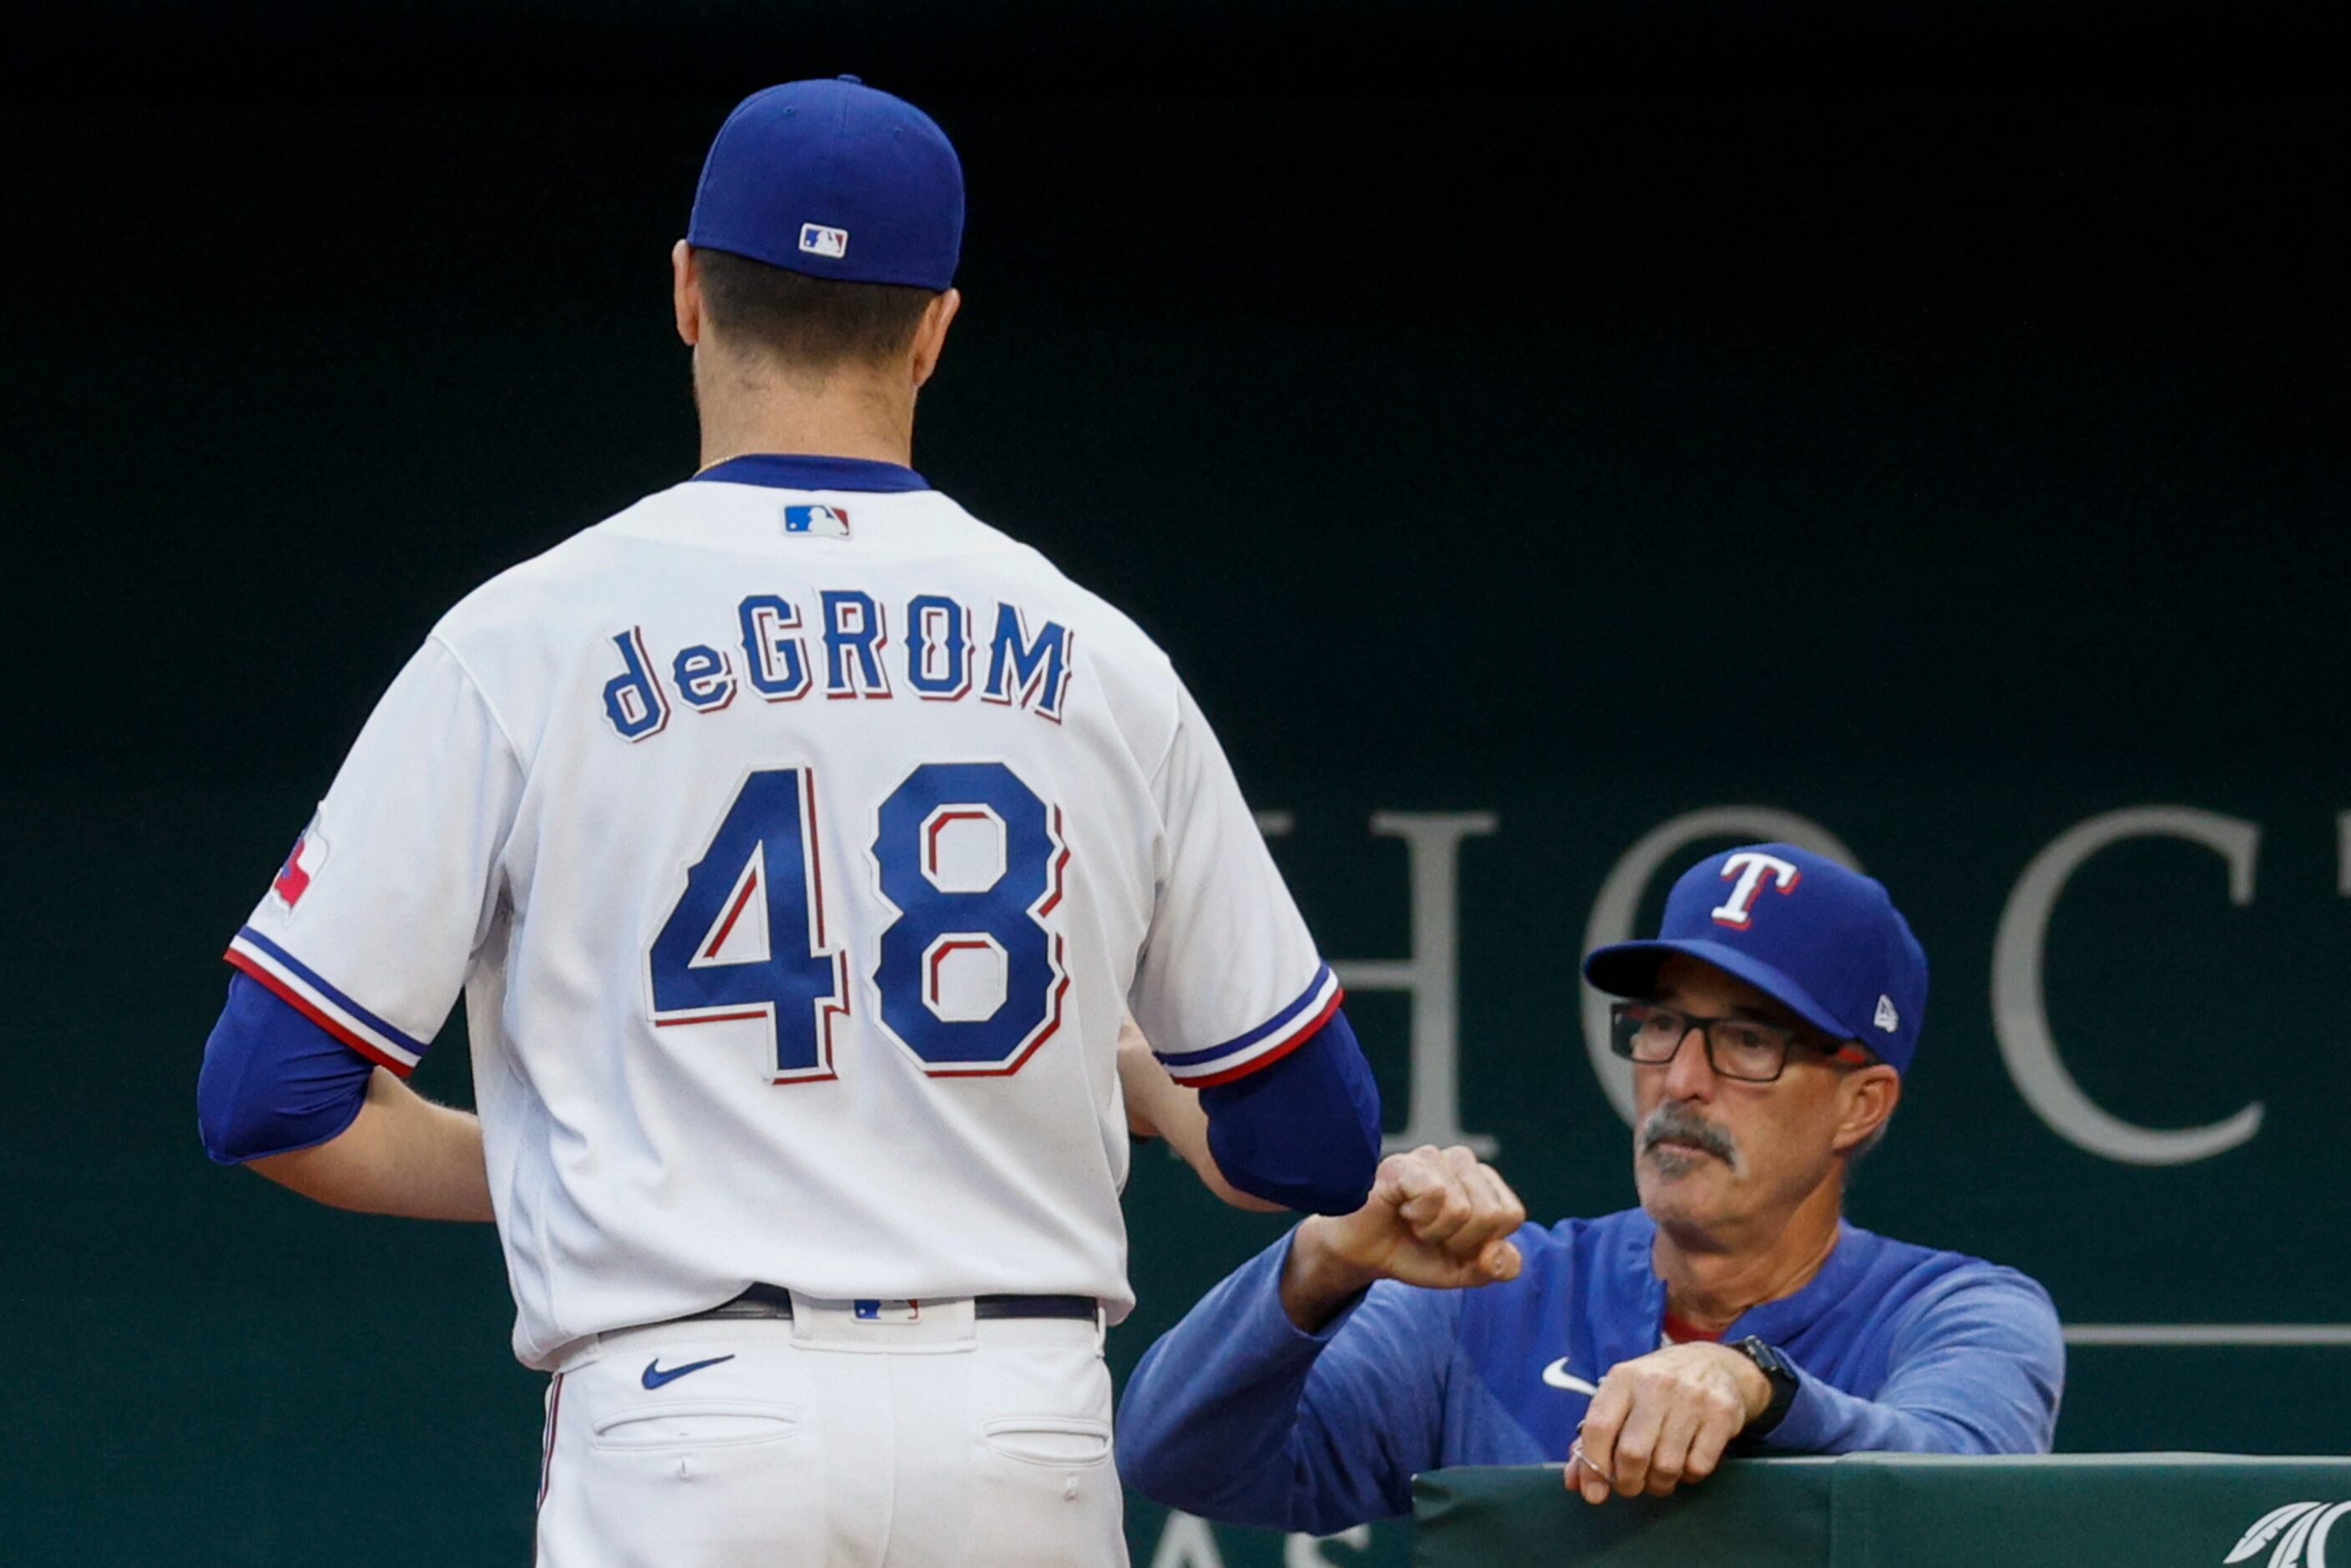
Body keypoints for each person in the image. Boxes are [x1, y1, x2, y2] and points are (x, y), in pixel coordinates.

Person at [194, 76, 1381, 1567]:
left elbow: (266, 1092)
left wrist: (619, 1148)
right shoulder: (1096, 653)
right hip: (1016, 1428)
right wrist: (1122, 1082)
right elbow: (1314, 1141)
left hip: (690, 1412)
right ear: (936, 325)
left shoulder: (530, 633)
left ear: (687, 292)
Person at [1116, 843, 2064, 1536]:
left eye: (1745, 1041)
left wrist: (1757, 1388)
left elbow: (1962, 1498)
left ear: (1861, 1103)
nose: (1680, 1080)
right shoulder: (1496, 1290)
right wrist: (1318, 1262)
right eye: (1659, 1026)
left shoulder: (1959, 1310)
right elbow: (1174, 1456)